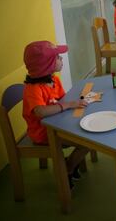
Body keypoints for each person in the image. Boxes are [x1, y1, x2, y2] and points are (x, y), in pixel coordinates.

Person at [22, 41, 89, 188]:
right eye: (58, 57)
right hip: (43, 133)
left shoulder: (54, 80)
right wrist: (68, 105)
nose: (62, 59)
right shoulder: (33, 89)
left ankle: (69, 165)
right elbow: (40, 111)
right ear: (47, 65)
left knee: (87, 136)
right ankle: (68, 168)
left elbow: (63, 100)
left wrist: (77, 101)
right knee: (86, 142)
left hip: (57, 125)